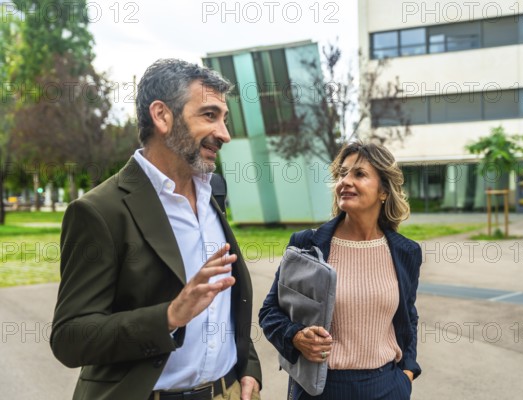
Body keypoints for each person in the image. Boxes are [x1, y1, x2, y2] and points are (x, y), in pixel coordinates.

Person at [50, 59, 261, 400]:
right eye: (209, 115)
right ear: (162, 116)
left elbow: (227, 302)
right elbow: (70, 338)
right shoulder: (99, 211)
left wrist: (248, 366)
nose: (224, 134)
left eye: (224, 118)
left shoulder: (214, 192)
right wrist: (169, 316)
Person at [259, 141, 422, 400]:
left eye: (359, 174)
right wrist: (295, 336)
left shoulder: (406, 252)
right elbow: (269, 312)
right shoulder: (307, 245)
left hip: (388, 387)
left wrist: (407, 373)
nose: (345, 181)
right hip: (322, 389)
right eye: (342, 174)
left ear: (383, 191)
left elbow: (408, 318)